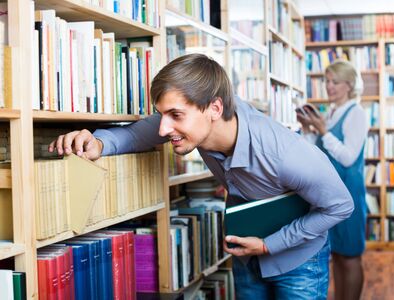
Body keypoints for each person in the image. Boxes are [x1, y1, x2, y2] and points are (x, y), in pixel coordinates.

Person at [49, 54, 354, 299]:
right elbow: (140, 133)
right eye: (163, 115)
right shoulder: (201, 124)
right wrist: (99, 143)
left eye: (175, 116)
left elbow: (341, 206)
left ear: (215, 108)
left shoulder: (287, 154)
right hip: (246, 254)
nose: (163, 129)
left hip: (298, 260)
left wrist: (267, 245)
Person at [297, 60, 368, 300]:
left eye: (334, 82)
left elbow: (348, 158)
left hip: (348, 193)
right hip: (329, 194)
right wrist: (309, 129)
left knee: (350, 256)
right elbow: (318, 152)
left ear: (348, 85)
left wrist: (323, 131)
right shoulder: (331, 112)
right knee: (336, 253)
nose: (328, 86)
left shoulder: (356, 113)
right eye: (326, 81)